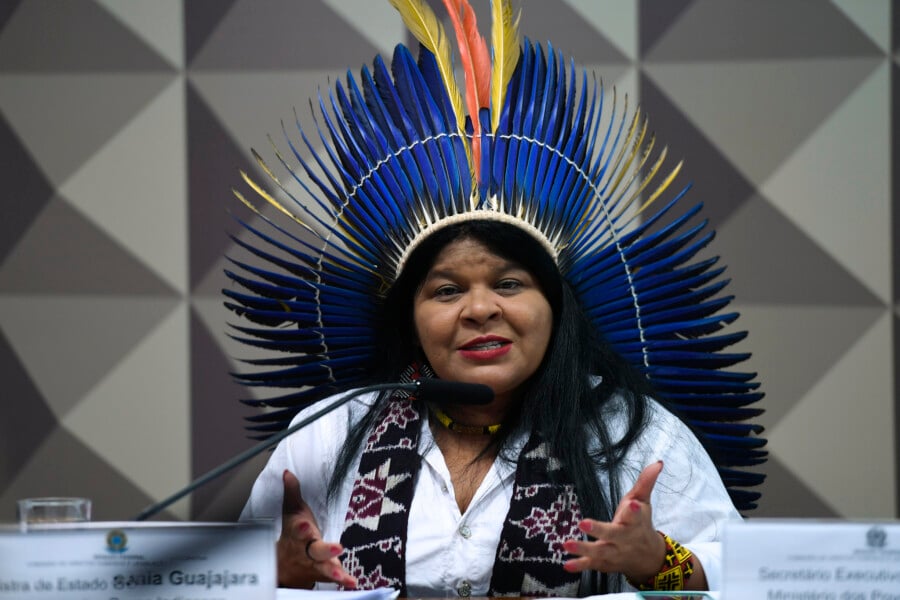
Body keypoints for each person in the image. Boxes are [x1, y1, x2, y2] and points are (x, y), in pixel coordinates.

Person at [227, 0, 765, 595]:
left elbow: (750, 582)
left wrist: (655, 560)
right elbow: (225, 580)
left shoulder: (635, 434)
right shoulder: (329, 433)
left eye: (509, 284)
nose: (480, 309)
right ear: (410, 316)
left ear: (555, 307)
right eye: (447, 290)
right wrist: (268, 574)